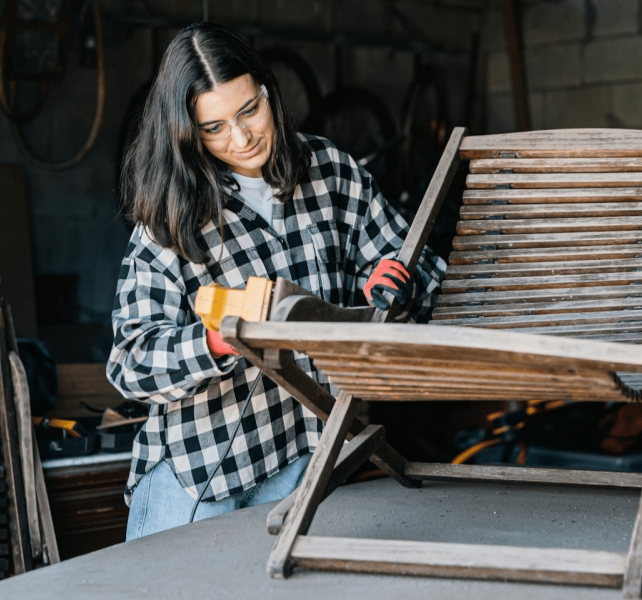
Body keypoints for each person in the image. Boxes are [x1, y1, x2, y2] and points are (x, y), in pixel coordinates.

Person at [107, 23, 446, 541]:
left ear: (267, 90)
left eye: (249, 111)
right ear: (186, 131)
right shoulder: (170, 214)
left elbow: (420, 270)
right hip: (200, 469)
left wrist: (401, 282)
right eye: (213, 128)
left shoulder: (331, 172)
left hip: (307, 458)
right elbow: (130, 364)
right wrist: (218, 340)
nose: (240, 139)